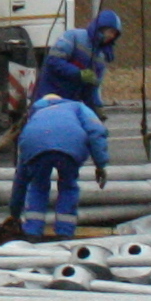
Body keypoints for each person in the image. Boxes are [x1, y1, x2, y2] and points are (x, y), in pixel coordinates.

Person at [14, 80, 109, 240]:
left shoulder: (35, 116)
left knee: (37, 186)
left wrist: (14, 213)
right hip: (70, 147)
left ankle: (32, 232)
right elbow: (96, 131)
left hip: (35, 146)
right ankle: (65, 232)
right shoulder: (77, 107)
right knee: (68, 186)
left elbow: (21, 177)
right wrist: (100, 165)